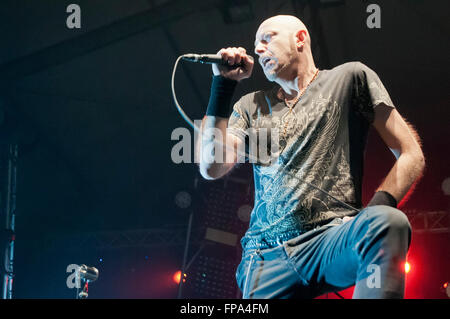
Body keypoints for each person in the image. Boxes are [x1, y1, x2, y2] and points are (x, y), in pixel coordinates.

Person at [196, 15, 425, 299]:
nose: (258, 50)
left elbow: (410, 153)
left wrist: (376, 208)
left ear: (300, 38)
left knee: (387, 222)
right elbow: (211, 166)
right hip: (266, 257)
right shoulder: (251, 106)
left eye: (267, 39)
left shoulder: (351, 78)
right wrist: (222, 86)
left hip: (331, 241)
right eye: (256, 46)